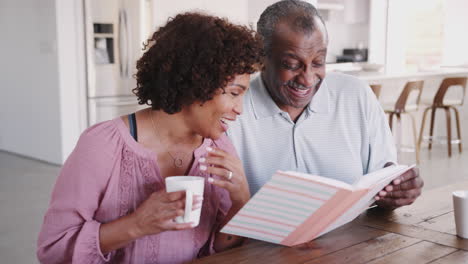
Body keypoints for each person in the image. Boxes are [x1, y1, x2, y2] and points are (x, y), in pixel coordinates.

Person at [37, 13, 262, 264]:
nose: (239, 109)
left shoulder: (219, 147)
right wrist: (137, 224)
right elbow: (54, 250)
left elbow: (216, 251)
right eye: (233, 93)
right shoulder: (103, 145)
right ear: (196, 82)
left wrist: (241, 202)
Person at [227, 0, 423, 209]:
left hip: (353, 237)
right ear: (261, 59)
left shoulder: (356, 96)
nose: (308, 79)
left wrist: (396, 190)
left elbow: (382, 179)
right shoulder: (232, 110)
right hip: (263, 240)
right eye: (292, 65)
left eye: (319, 62)